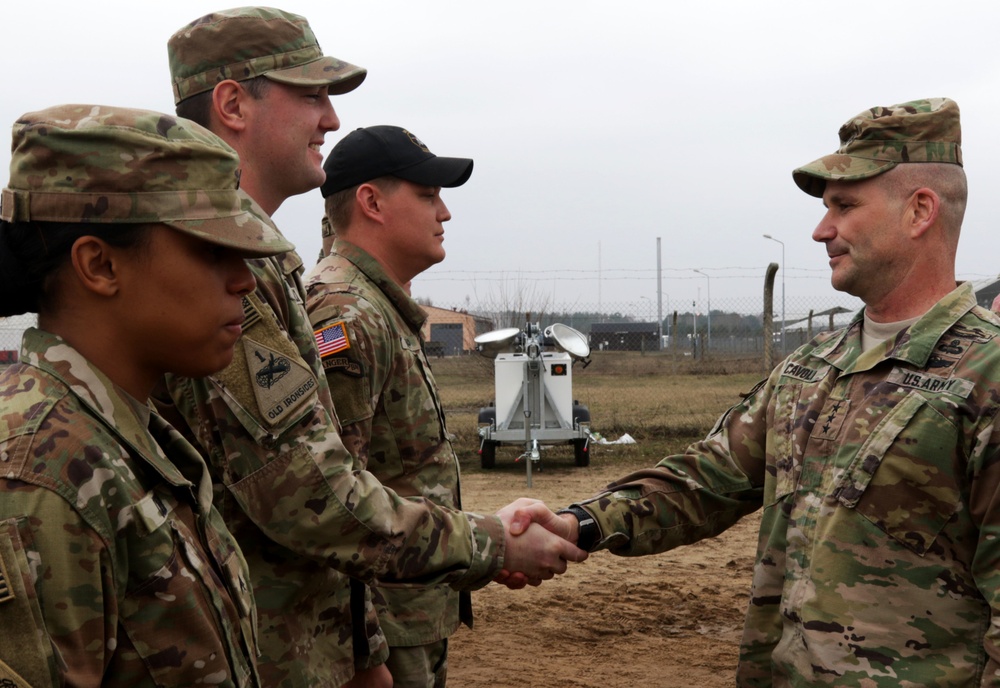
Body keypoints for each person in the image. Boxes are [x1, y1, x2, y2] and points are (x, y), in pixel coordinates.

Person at [507, 97, 1000, 686]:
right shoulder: (812, 367)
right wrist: (577, 524)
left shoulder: (985, 374)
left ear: (920, 210)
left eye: (844, 206)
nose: (822, 230)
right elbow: (706, 479)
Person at [162, 8, 586, 687]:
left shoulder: (259, 262)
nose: (330, 120)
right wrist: (485, 541)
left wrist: (362, 647)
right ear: (233, 103)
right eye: (311, 94)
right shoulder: (207, 263)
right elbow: (312, 496)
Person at [0, 104, 294, 687]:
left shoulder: (127, 437)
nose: (246, 279)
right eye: (212, 251)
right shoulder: (42, 479)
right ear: (100, 264)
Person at [304, 126, 474, 688]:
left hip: (410, 613)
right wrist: (361, 650)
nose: (444, 212)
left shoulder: (376, 305)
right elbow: (330, 503)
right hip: (384, 626)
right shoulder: (346, 315)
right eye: (427, 195)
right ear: (371, 202)